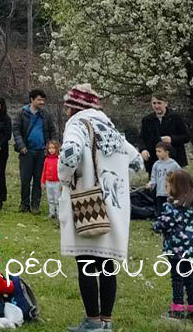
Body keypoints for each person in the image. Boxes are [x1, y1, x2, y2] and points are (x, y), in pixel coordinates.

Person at [58, 83, 142, 332]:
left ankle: (92, 322)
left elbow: (70, 153)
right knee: (107, 265)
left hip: (87, 203)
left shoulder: (78, 124)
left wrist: (63, 176)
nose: (65, 109)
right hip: (114, 205)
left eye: (67, 105)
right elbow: (136, 160)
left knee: (85, 262)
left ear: (75, 106)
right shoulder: (109, 126)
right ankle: (106, 320)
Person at [152, 169, 193, 320]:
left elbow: (164, 223)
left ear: (176, 187)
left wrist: (156, 226)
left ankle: (178, 308)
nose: (166, 188)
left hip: (177, 249)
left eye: (168, 185)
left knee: (177, 278)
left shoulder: (172, 208)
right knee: (190, 278)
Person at [14, 89, 56, 213]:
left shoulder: (46, 114)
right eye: (39, 99)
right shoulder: (22, 113)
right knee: (25, 179)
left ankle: (35, 205)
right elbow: (16, 131)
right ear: (32, 100)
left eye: (43, 100)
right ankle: (24, 204)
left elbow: (52, 130)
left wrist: (51, 146)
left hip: (42, 152)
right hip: (26, 151)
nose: (42, 102)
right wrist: (21, 145)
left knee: (38, 180)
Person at [139, 93, 190, 176]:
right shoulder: (147, 120)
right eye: (154, 103)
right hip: (154, 161)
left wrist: (171, 139)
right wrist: (143, 150)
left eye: (159, 103)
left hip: (174, 159)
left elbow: (186, 137)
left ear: (166, 104)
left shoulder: (175, 118)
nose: (156, 106)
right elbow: (141, 138)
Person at [146, 141, 181, 217]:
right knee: (160, 212)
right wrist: (151, 184)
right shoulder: (156, 165)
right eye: (156, 151)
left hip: (170, 194)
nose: (157, 153)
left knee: (170, 211)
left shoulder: (174, 164)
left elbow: (180, 176)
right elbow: (153, 178)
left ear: (167, 152)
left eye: (159, 151)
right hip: (159, 193)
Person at [40, 139, 61, 220]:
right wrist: (42, 181)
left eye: (53, 148)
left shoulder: (58, 160)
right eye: (50, 148)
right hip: (49, 182)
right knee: (50, 198)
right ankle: (51, 213)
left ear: (57, 149)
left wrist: (61, 183)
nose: (51, 150)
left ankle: (59, 214)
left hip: (57, 182)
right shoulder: (46, 159)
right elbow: (44, 171)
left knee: (57, 199)